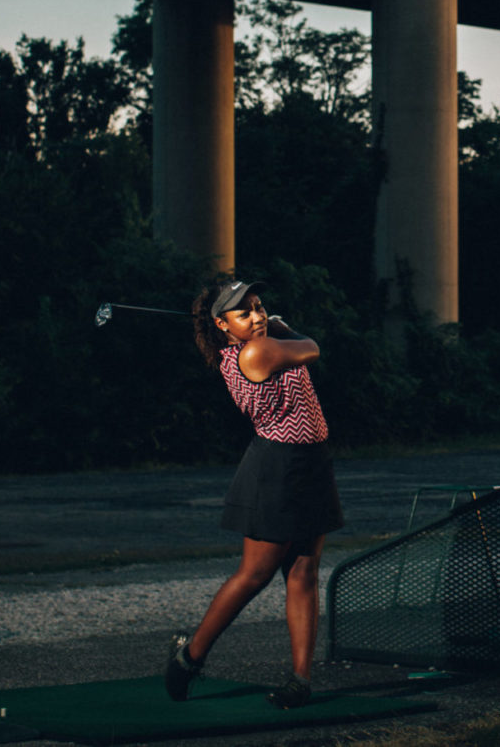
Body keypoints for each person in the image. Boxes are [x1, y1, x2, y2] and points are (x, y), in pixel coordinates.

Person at [164, 278, 343, 709]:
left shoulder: (259, 342)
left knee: (303, 573)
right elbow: (313, 347)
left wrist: (277, 326)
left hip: (311, 462)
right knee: (254, 576)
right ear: (224, 325)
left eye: (260, 307)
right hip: (277, 469)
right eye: (244, 313)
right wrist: (285, 328)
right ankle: (189, 658)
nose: (257, 316)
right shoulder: (255, 351)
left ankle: (300, 679)